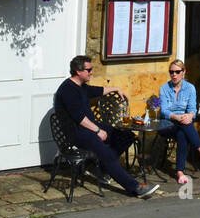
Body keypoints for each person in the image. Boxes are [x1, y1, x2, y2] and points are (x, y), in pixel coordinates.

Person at [55, 55, 158, 198]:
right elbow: (79, 118)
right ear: (78, 72)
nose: (92, 72)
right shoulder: (68, 90)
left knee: (125, 135)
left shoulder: (81, 86)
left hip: (88, 127)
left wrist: (116, 88)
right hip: (77, 132)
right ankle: (135, 188)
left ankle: (101, 169)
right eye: (89, 70)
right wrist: (97, 130)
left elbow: (97, 90)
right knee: (107, 154)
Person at [160, 59, 200, 185]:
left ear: (184, 72)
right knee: (184, 125)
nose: (174, 75)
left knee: (182, 134)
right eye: (171, 72)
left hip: (183, 124)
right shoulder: (164, 89)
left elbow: (192, 109)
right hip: (168, 124)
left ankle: (180, 172)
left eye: (177, 72)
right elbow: (164, 111)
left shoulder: (190, 88)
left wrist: (190, 115)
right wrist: (177, 117)